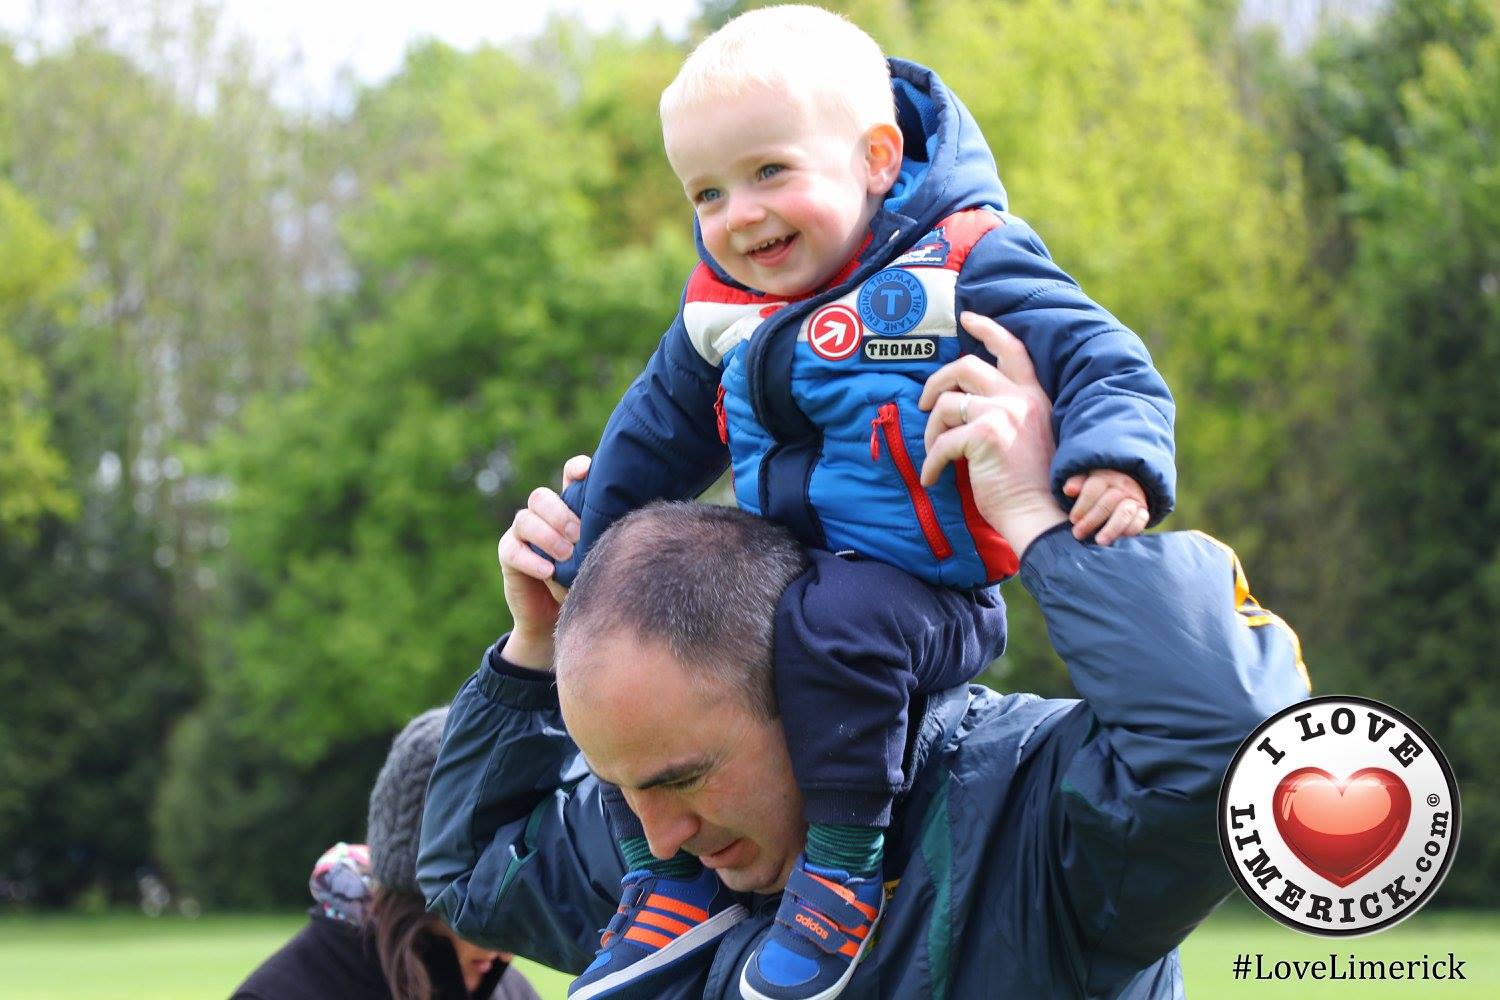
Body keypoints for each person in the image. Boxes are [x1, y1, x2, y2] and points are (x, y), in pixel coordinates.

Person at [526, 7, 1177, 997]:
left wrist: (1113, 461)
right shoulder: (722, 307)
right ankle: (665, 888)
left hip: (920, 594)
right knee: (623, 649)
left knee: (836, 625)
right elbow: (652, 430)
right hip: (781, 580)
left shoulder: (962, 259)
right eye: (708, 192)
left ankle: (839, 874)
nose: (741, 215)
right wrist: (590, 562)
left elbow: (1100, 356)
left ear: (877, 159)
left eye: (769, 172)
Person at [419, 315, 1311, 999]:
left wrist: (1047, 524)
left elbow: (1241, 749)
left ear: (796, 690)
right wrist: (531, 653)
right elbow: (468, 870)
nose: (657, 839)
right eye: (623, 788)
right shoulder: (667, 864)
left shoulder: (1024, 820)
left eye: (684, 779)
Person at [232, 709, 541, 1000]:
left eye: (521, 909)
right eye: (484, 905)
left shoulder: (511, 991)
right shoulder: (279, 992)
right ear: (419, 889)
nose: (507, 949)